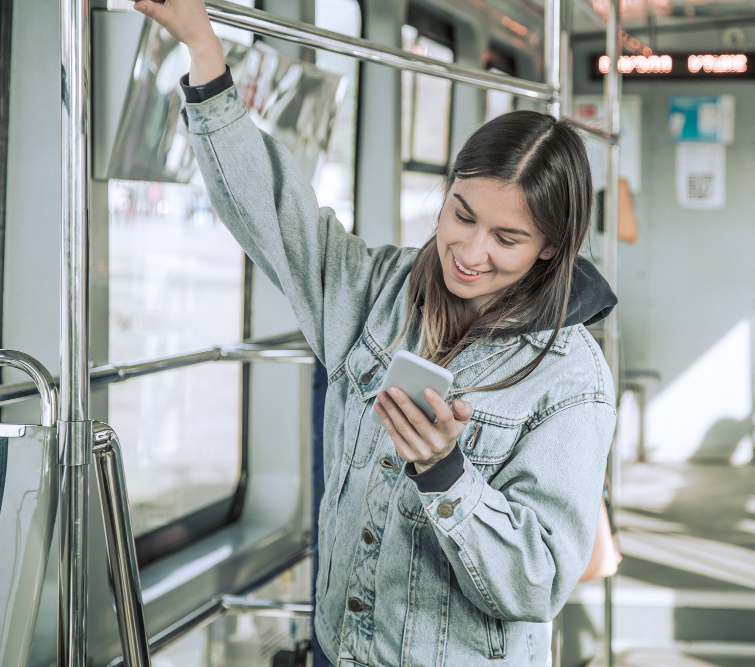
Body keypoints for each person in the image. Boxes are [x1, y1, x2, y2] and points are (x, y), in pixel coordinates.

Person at [132, 2, 619, 664]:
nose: (470, 252)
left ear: (549, 248)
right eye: (461, 214)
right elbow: (275, 212)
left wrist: (449, 477)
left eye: (506, 238)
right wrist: (203, 50)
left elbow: (538, 580)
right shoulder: (378, 291)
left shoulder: (571, 378)